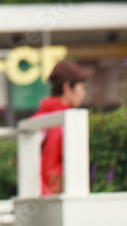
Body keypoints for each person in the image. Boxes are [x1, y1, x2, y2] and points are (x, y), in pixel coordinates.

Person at [32, 59, 93, 196]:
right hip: (56, 202)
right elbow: (53, 172)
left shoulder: (36, 119)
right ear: (67, 87)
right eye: (81, 88)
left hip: (33, 198)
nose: (84, 94)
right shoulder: (66, 122)